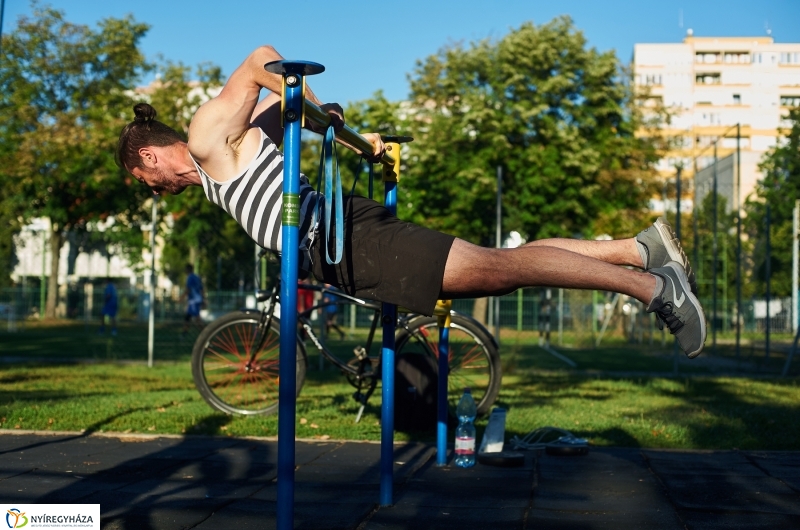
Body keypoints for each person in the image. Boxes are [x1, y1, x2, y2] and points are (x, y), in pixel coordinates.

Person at [116, 45, 706, 357]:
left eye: (146, 181)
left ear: (148, 158)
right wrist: (333, 124)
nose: (156, 190)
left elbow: (258, 63)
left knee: (501, 270)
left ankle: (654, 289)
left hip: (349, 239)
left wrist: (311, 98)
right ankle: (640, 249)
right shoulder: (219, 158)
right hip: (346, 240)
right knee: (502, 262)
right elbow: (278, 112)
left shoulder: (201, 136)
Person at [183, 264, 205, 335]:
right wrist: (203, 299)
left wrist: (181, 297)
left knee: (197, 318)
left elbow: (188, 289)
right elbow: (201, 289)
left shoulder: (190, 278)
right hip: (197, 299)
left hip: (194, 300)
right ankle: (185, 332)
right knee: (188, 317)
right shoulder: (197, 277)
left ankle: (205, 333)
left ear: (188, 270)